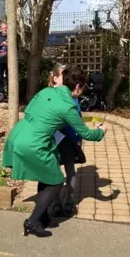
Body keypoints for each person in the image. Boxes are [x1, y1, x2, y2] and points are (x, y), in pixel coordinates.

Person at [1, 66, 107, 238]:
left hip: (19, 133)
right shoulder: (68, 106)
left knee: (45, 175)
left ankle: (42, 215)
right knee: (56, 181)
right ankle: (32, 222)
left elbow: (31, 110)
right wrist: (102, 131)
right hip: (34, 143)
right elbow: (86, 133)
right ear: (78, 87)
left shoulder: (45, 92)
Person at [46, 63, 84, 217]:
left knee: (70, 169)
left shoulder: (73, 97)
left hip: (69, 139)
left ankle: (70, 200)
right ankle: (54, 202)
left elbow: (79, 119)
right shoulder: (47, 95)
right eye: (63, 75)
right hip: (53, 139)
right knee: (53, 170)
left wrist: (79, 137)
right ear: (55, 78)